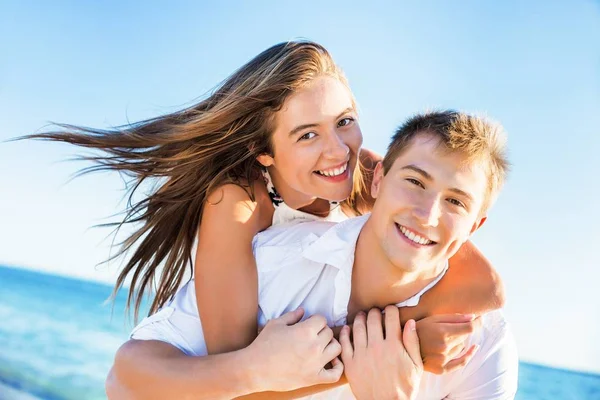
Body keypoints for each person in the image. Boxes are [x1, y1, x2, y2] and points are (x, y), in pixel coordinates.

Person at [28, 41, 504, 397]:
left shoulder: (369, 174)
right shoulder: (235, 203)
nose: (338, 150)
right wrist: (407, 342)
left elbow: (483, 286)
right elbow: (240, 367)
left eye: (344, 120)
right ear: (263, 153)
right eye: (306, 135)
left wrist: (396, 332)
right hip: (179, 364)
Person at [125, 110, 518, 399]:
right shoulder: (275, 258)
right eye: (414, 181)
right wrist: (253, 370)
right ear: (378, 179)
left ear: (475, 227)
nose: (427, 214)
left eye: (455, 201)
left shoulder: (480, 342)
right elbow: (127, 383)